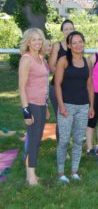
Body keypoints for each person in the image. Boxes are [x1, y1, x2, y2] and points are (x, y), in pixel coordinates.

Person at [55, 31, 94, 183]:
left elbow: (90, 85)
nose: (78, 45)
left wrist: (91, 106)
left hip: (83, 106)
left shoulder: (87, 62)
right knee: (64, 140)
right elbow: (57, 84)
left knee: (78, 140)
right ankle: (60, 172)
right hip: (67, 106)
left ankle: (74, 171)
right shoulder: (63, 61)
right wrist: (61, 105)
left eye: (80, 41)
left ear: (84, 43)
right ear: (69, 45)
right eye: (74, 42)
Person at [18, 28, 49, 185]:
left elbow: (43, 84)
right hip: (31, 104)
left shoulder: (41, 58)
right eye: (34, 39)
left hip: (41, 104)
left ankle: (32, 174)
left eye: (40, 39)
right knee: (33, 139)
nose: (37, 42)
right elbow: (21, 87)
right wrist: (26, 111)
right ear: (28, 41)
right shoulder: (26, 59)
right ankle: (31, 177)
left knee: (37, 140)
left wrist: (47, 106)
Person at [48, 19, 75, 141]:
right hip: (57, 87)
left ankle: (71, 142)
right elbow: (51, 66)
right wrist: (65, 75)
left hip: (72, 89)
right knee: (61, 117)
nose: (69, 31)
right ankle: (62, 148)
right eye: (66, 29)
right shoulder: (57, 46)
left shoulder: (77, 45)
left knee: (72, 118)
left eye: (71, 28)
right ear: (62, 31)